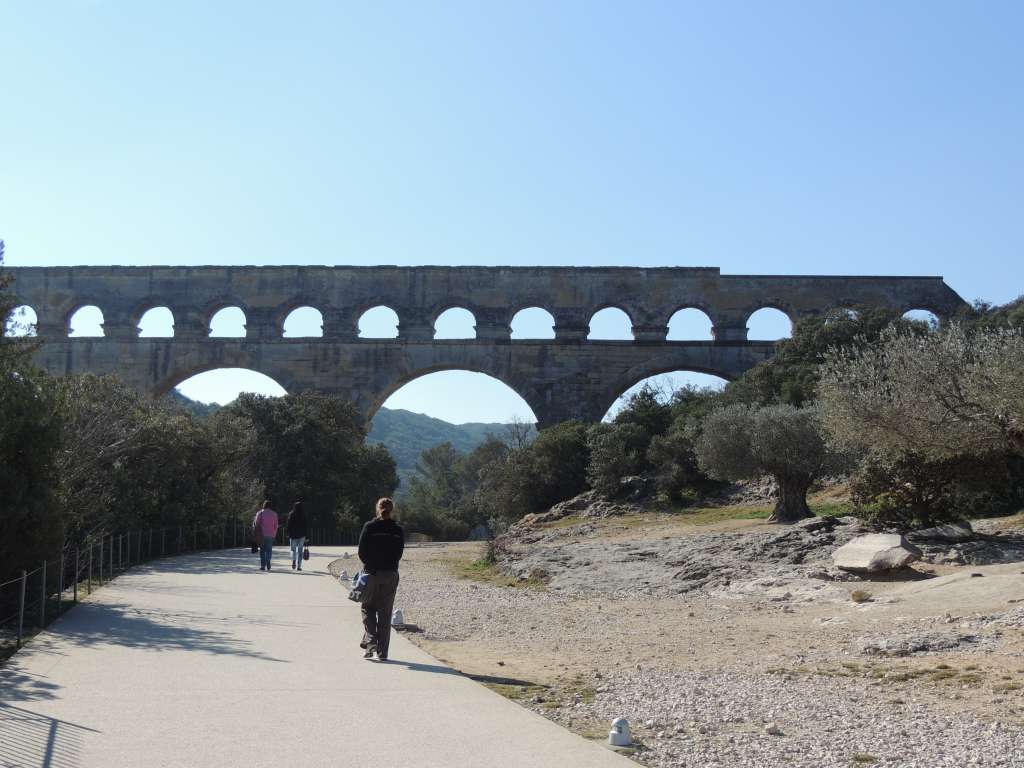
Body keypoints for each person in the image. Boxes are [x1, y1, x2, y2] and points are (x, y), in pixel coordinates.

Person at [357, 497, 405, 661]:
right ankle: (382, 652)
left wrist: (370, 565)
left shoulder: (370, 527)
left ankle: (370, 641)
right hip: (391, 574)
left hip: (372, 573)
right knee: (385, 614)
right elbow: (399, 554)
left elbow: (361, 552)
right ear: (392, 510)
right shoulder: (398, 530)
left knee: (367, 608)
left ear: (377, 508)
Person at [252, 500, 279, 571]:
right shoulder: (274, 514)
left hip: (261, 535)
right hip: (271, 535)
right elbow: (276, 525)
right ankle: (268, 560)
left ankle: (263, 566)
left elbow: (256, 523)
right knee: (269, 549)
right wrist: (274, 534)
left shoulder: (260, 513)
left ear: (264, 505)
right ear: (270, 506)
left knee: (262, 550)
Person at [287, 501, 308, 571]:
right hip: (302, 535)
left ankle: (293, 560)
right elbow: (306, 526)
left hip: (293, 535)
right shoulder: (303, 515)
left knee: (293, 550)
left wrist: (288, 533)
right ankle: (299, 566)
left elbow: (289, 525)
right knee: (300, 551)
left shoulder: (291, 514)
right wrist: (307, 536)